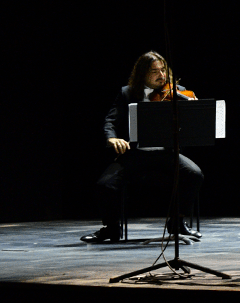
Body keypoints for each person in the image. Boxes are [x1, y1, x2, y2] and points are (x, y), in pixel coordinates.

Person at [83, 51, 204, 243]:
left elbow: (191, 127)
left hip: (167, 154)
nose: (161, 75)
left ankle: (177, 223)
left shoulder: (178, 91)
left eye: (163, 70)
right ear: (142, 74)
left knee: (194, 174)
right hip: (135, 154)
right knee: (105, 185)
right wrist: (112, 138)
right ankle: (112, 228)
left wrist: (193, 113)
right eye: (155, 71)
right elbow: (110, 122)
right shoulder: (128, 93)